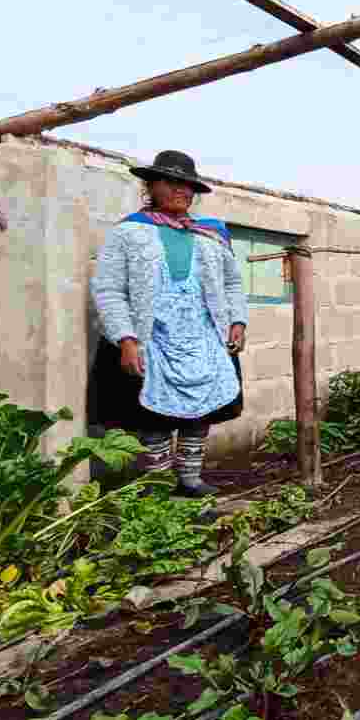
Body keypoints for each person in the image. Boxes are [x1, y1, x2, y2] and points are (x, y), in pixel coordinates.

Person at [88, 150, 246, 497]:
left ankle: (190, 480)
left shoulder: (210, 234)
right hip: (152, 338)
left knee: (200, 412)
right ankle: (159, 487)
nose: (181, 190)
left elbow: (233, 282)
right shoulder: (128, 232)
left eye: (188, 185)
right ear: (150, 186)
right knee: (153, 418)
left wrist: (237, 319)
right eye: (170, 182)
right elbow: (108, 288)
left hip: (204, 337)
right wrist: (126, 338)